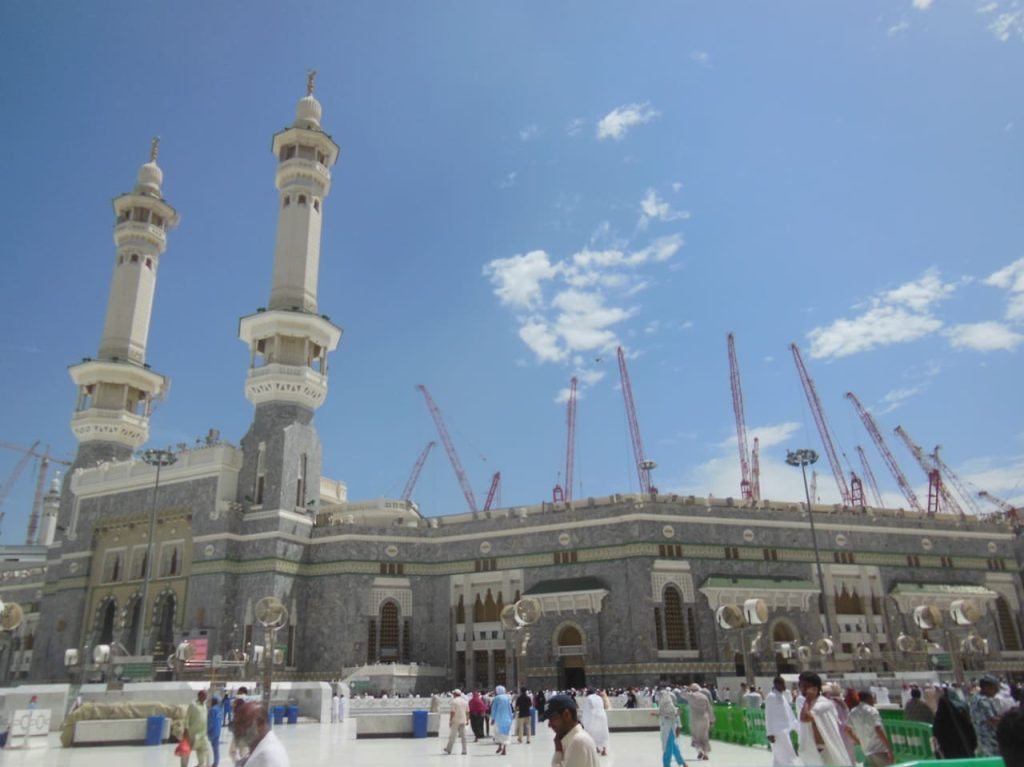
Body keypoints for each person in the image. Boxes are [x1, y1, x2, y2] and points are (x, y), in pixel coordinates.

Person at [796, 672, 848, 766]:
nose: (803, 689)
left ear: (815, 688)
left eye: (806, 686)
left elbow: (805, 718)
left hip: (825, 752)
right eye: (801, 685)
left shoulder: (824, 704)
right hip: (812, 752)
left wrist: (808, 699)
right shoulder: (808, 704)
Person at [547, 693, 600, 767]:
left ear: (567, 715)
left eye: (552, 719)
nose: (549, 725)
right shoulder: (575, 739)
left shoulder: (578, 741)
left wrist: (558, 752)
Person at [232, 701, 289, 767]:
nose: (236, 729)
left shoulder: (269, 756)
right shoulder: (258, 750)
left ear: (259, 723)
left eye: (241, 723)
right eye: (234, 725)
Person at [845, 690, 894, 767]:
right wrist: (889, 749)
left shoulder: (853, 712)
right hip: (879, 749)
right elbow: (878, 729)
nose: (874, 701)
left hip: (866, 750)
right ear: (869, 698)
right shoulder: (872, 710)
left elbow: (846, 730)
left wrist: (858, 742)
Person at [933, 685, 977, 759]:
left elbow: (936, 737)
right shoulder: (959, 714)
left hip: (949, 755)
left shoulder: (939, 721)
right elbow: (970, 730)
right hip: (965, 750)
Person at [765, 676, 799, 767]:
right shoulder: (771, 697)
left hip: (784, 730)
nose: (784, 686)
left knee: (783, 755)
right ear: (777, 684)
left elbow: (788, 711)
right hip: (776, 732)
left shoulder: (781, 695)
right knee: (782, 754)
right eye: (782, 684)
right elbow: (768, 715)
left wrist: (795, 725)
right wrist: (769, 733)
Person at [971, 674, 1006, 756]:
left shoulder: (975, 698)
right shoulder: (983, 701)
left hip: (982, 739)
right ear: (986, 687)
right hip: (989, 740)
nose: (997, 691)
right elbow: (993, 721)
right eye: (995, 688)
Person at [682, 683, 714, 761]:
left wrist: (687, 688)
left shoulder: (691, 696)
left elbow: (682, 694)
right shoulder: (704, 697)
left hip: (695, 719)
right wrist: (712, 719)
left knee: (696, 737)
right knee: (705, 737)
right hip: (705, 718)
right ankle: (706, 754)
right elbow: (709, 708)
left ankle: (700, 751)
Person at [655, 688, 686, 767]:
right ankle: (682, 762)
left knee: (667, 748)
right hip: (666, 729)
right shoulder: (663, 705)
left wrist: (678, 726)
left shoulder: (669, 705)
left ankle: (667, 765)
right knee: (674, 747)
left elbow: (673, 715)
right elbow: (668, 714)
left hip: (668, 730)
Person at [182, 689, 212, 767]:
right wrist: (185, 732)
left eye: (206, 695)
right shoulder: (193, 705)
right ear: (199, 696)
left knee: (204, 754)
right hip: (192, 734)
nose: (206, 697)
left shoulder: (205, 705)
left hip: (203, 735)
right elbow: (186, 719)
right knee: (186, 752)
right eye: (204, 695)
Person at [581, 688, 610, 756]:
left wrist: (584, 720)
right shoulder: (599, 697)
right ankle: (604, 750)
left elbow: (587, 710)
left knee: (593, 733)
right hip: (602, 716)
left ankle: (596, 748)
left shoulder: (588, 698)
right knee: (603, 732)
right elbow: (603, 707)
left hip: (594, 716)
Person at [490, 684, 514, 755]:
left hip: (498, 719)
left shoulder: (497, 698)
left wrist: (493, 718)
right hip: (507, 719)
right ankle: (504, 750)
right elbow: (510, 709)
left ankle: (500, 746)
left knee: (498, 733)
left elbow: (494, 709)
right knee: (506, 734)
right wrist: (510, 717)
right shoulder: (507, 698)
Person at [444, 689, 469, 755]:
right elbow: (467, 712)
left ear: (455, 694)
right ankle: (464, 750)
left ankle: (449, 749)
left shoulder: (454, 701)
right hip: (463, 720)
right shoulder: (465, 701)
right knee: (463, 736)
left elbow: (452, 712)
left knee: (452, 736)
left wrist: (450, 720)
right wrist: (467, 720)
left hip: (455, 720)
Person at [207, 695, 223, 767]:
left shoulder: (212, 710)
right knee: (216, 749)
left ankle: (207, 763)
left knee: (206, 748)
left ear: (214, 701)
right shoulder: (220, 709)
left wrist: (207, 730)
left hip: (212, 732)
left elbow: (210, 722)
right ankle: (216, 763)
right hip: (218, 731)